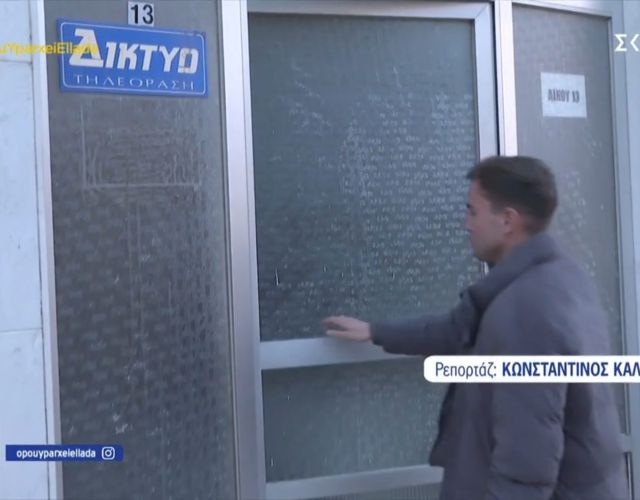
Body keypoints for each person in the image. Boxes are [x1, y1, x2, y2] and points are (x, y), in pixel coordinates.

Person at [323, 156, 628, 500]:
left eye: (473, 211)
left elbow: (526, 462)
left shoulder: (528, 310)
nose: (466, 224)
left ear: (507, 220)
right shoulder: (559, 277)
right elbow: (457, 329)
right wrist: (375, 331)